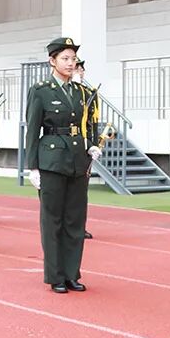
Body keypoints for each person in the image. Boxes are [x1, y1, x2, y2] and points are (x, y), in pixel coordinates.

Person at [24, 38, 102, 293]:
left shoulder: (81, 92)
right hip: (52, 161)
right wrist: (32, 167)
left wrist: (91, 144)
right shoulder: (41, 90)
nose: (71, 63)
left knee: (75, 220)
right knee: (53, 220)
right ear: (52, 61)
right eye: (65, 58)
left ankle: (72, 273)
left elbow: (87, 125)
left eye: (73, 59)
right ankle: (55, 275)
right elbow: (33, 130)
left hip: (78, 161)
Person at [73, 58, 96, 241]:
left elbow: (92, 123)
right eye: (77, 69)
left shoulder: (89, 94)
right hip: (68, 145)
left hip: (84, 147)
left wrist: (94, 144)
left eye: (81, 69)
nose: (79, 72)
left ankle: (80, 226)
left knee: (81, 192)